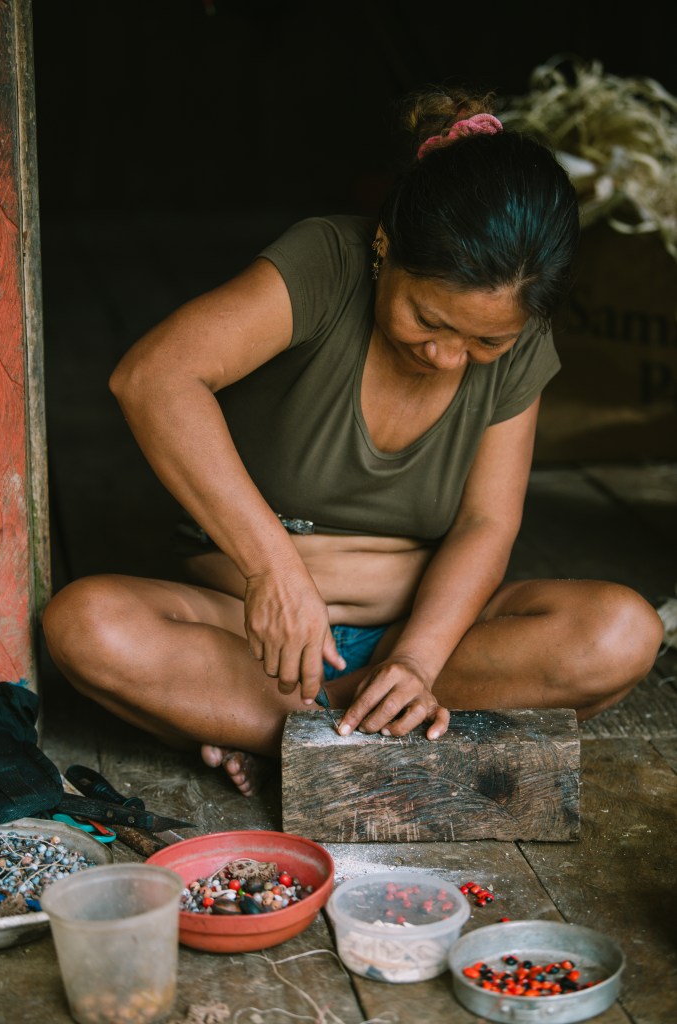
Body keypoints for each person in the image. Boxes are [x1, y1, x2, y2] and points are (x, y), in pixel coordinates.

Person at [42, 87, 664, 796]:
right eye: (428, 320)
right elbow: (154, 378)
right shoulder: (326, 263)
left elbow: (486, 522)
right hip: (249, 637)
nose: (447, 358)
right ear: (385, 246)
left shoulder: (521, 340)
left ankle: (284, 731)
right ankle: (360, 733)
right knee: (87, 625)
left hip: (427, 636)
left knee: (621, 634)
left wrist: (418, 662)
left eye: (485, 342)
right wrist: (272, 572)